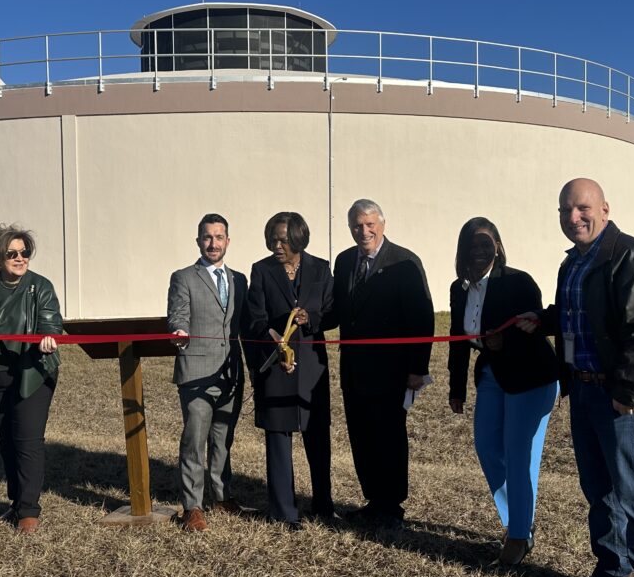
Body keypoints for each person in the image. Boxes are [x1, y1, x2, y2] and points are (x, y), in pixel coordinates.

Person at [519, 177, 634, 577]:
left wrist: (629, 394)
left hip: (620, 395)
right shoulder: (573, 263)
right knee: (599, 488)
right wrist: (543, 320)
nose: (573, 218)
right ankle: (612, 569)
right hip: (583, 389)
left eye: (582, 208)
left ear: (605, 209)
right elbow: (581, 315)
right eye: (565, 210)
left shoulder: (633, 257)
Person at [447, 217, 559, 566]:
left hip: (531, 376)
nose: (479, 250)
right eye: (472, 244)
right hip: (492, 375)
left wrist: (505, 341)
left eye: (486, 243)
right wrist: (456, 388)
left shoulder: (517, 281)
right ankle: (521, 519)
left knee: (518, 454)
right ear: (463, 250)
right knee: (486, 446)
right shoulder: (459, 289)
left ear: (497, 246)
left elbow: (535, 325)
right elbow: (457, 340)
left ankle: (518, 535)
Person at [330, 199, 434, 528]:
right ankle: (374, 500)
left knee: (389, 438)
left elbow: (422, 318)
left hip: (391, 371)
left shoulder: (405, 261)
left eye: (370, 224)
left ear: (382, 225)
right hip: (354, 370)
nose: (364, 231)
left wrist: (418, 368)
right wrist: (306, 316)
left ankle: (391, 506)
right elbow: (336, 311)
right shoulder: (344, 261)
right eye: (357, 225)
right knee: (361, 437)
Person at [0, 225, 62, 535]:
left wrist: (48, 338)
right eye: (12, 253)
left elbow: (51, 322)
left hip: (31, 372)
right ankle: (16, 500)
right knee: (7, 439)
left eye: (25, 252)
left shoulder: (40, 286)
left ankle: (29, 511)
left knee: (27, 440)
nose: (20, 258)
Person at [244, 212, 335, 528]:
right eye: (273, 240)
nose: (277, 246)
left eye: (283, 240)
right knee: (278, 437)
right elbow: (254, 319)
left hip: (311, 367)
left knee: (318, 436)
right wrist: (273, 343)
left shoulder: (321, 268)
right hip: (276, 366)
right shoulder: (262, 271)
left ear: (299, 239)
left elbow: (332, 311)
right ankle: (283, 511)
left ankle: (323, 505)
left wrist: (310, 318)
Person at [167, 213, 248, 532]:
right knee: (194, 440)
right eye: (207, 237)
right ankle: (193, 507)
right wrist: (179, 331)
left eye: (219, 237)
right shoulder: (183, 277)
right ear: (199, 241)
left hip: (231, 374)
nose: (213, 243)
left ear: (228, 240)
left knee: (223, 439)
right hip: (196, 373)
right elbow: (178, 315)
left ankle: (222, 496)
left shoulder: (240, 280)